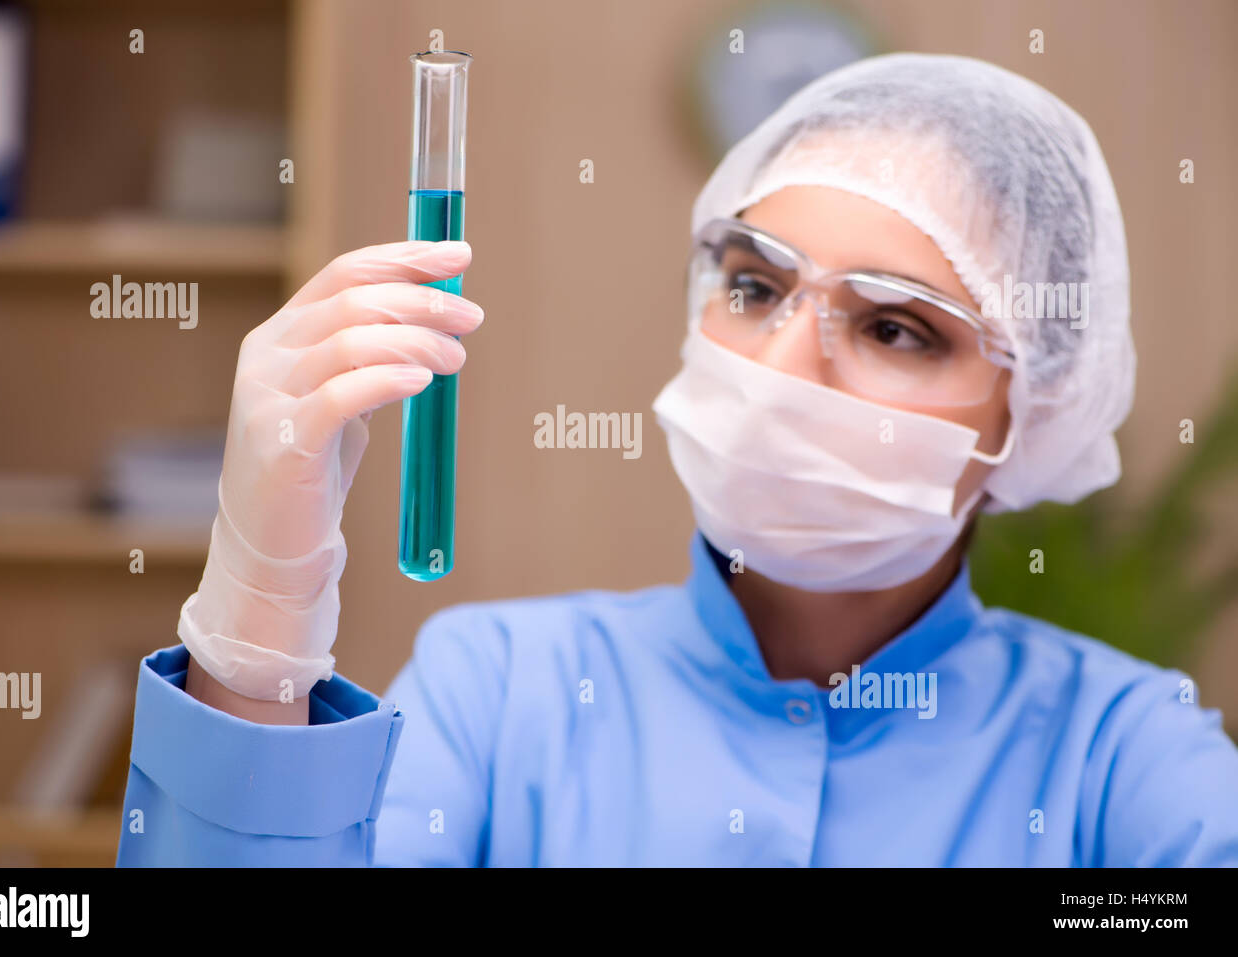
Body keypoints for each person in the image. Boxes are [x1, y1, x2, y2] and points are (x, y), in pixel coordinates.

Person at [116, 53, 1238, 866]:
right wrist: (258, 618)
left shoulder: (1118, 760)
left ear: (1033, 409)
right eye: (755, 284)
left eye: (896, 327)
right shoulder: (500, 692)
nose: (785, 362)